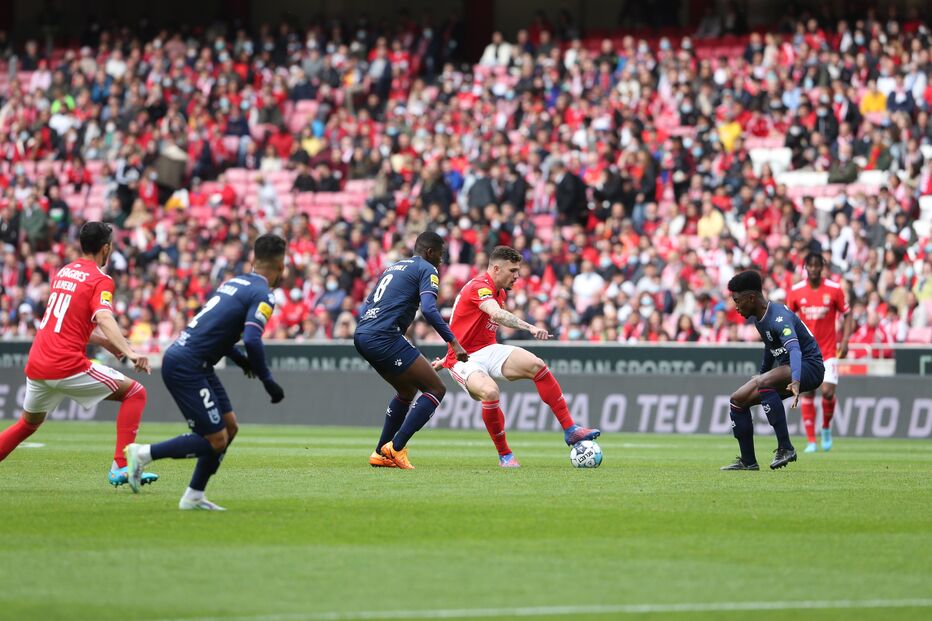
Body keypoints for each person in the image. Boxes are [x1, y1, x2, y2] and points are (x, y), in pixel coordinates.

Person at [124, 234, 288, 510]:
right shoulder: (264, 294)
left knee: (230, 428)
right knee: (215, 439)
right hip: (187, 365)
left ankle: (194, 496)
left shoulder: (234, 282)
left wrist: (241, 360)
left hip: (193, 360)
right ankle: (142, 454)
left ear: (253, 260)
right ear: (281, 265)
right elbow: (251, 339)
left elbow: (215, 332)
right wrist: (267, 380)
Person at [0, 222, 156, 487]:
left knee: (27, 424)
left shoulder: (65, 272)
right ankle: (121, 466)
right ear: (106, 248)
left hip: (38, 361)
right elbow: (104, 316)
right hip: (66, 364)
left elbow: (64, 323)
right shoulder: (101, 279)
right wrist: (129, 351)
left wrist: (105, 342)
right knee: (135, 393)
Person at [435, 246, 600, 467]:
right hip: (463, 358)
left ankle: (571, 430)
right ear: (496, 268)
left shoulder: (500, 291)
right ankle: (505, 455)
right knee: (491, 392)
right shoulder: (479, 287)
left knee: (537, 365)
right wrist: (529, 327)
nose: (517, 275)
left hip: (488, 348)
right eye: (512, 270)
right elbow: (497, 314)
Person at [353, 231, 469, 469]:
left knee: (406, 391)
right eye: (440, 254)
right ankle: (395, 449)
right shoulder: (427, 268)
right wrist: (453, 342)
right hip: (384, 336)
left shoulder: (393, 267)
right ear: (429, 252)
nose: (441, 260)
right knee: (436, 388)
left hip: (363, 333)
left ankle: (381, 453)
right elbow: (428, 308)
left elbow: (368, 304)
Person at [722, 270, 824, 471]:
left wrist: (795, 379)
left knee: (763, 382)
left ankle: (786, 448)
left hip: (809, 367)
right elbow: (770, 347)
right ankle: (748, 461)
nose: (736, 307)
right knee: (737, 400)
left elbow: (794, 349)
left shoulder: (778, 317)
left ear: (751, 298)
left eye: (737, 300)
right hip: (788, 369)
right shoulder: (760, 318)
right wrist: (763, 372)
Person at [785, 253, 854, 452]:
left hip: (829, 350)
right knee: (808, 392)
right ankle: (811, 440)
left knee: (827, 391)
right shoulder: (796, 291)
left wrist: (846, 339)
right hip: (806, 351)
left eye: (817, 265)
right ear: (805, 267)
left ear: (822, 267)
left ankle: (825, 428)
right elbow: (788, 318)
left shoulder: (834, 289)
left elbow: (847, 314)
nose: (814, 269)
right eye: (810, 265)